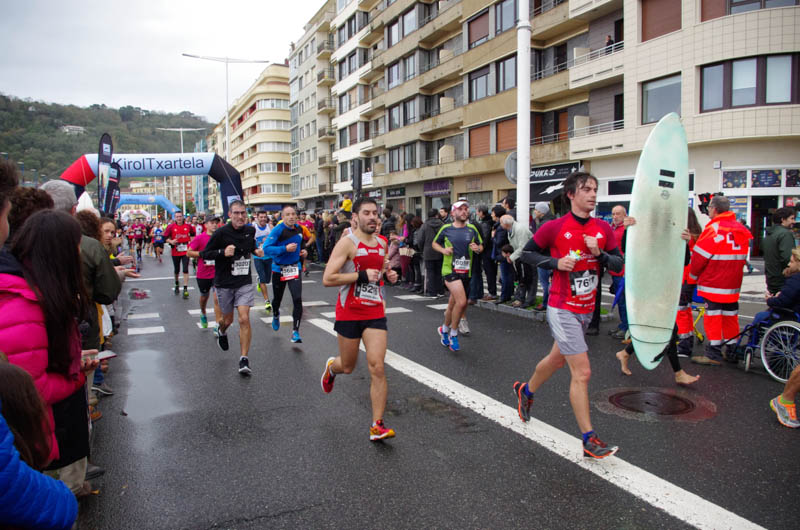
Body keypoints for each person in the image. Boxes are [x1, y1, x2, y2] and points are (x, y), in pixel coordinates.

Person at [514, 171, 623, 459]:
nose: (593, 194)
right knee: (582, 372)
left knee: (556, 360)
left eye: (595, 189)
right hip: (562, 307)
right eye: (586, 189)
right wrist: (555, 263)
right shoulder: (555, 227)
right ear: (571, 194)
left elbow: (618, 265)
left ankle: (526, 391)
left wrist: (599, 254)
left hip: (586, 309)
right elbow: (526, 254)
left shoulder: (603, 228)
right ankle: (589, 439)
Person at [1, 210, 100, 493]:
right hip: (32, 432)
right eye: (75, 247)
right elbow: (30, 387)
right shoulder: (23, 302)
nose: (79, 255)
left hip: (38, 428)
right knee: (54, 501)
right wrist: (76, 378)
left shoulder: (36, 288)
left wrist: (74, 360)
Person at [321, 197, 399, 441]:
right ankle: (331, 368)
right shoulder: (347, 244)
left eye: (375, 213)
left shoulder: (383, 243)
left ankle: (377, 425)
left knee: (377, 366)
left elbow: (381, 272)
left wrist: (389, 275)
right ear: (355, 217)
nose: (372, 217)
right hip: (349, 311)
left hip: (374, 310)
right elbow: (328, 278)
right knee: (347, 366)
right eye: (367, 213)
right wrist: (360, 276)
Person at [614, 216, 700, 385]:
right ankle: (678, 373)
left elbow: (684, 262)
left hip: (664, 289)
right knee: (668, 329)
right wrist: (627, 230)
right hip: (647, 289)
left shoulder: (670, 236)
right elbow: (627, 250)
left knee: (660, 328)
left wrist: (685, 243)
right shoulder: (646, 233)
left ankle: (626, 353)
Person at [200, 200, 264, 375]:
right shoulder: (220, 233)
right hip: (224, 283)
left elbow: (250, 245)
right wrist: (222, 252)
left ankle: (244, 359)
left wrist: (256, 251)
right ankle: (222, 331)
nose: (240, 216)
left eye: (243, 213)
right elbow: (205, 254)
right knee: (227, 321)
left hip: (243, 282)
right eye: (236, 213)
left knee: (244, 318)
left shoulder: (250, 230)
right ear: (229, 215)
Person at [689, 196, 753, 365]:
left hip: (714, 282)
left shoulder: (714, 229)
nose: (708, 210)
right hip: (733, 284)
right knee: (730, 316)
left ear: (715, 209)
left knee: (713, 317)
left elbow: (699, 258)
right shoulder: (740, 229)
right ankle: (732, 350)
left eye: (709, 207)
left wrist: (693, 277)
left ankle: (713, 354)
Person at [432, 200, 483, 352]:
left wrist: (477, 248)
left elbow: (481, 245)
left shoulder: (472, 229)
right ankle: (453, 334)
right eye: (460, 209)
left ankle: (444, 329)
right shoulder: (446, 228)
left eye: (466, 209)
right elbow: (435, 243)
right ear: (453, 213)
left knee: (452, 305)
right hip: (450, 270)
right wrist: (443, 250)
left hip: (466, 272)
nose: (464, 211)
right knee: (462, 302)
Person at [262, 205, 309, 343]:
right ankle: (276, 314)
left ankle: (295, 332)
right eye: (288, 214)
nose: (291, 217)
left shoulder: (299, 229)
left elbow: (301, 243)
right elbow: (266, 248)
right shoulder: (278, 230)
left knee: (297, 298)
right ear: (282, 217)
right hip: (279, 269)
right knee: (277, 299)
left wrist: (304, 251)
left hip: (294, 267)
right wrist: (284, 249)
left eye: (293, 214)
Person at [188, 212, 222, 330]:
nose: (214, 225)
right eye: (212, 223)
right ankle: (203, 311)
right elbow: (188, 252)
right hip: (203, 274)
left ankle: (217, 325)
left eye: (216, 223)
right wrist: (202, 254)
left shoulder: (220, 237)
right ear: (206, 225)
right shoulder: (200, 238)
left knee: (217, 298)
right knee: (204, 296)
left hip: (217, 273)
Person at [500, 215, 536, 308]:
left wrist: (511, 257)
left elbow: (523, 247)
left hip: (529, 256)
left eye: (501, 223)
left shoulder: (520, 229)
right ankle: (520, 299)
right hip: (520, 257)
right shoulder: (510, 229)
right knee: (521, 278)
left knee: (530, 278)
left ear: (506, 224)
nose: (500, 225)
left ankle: (530, 300)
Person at [606, 205, 628, 339]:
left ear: (625, 215)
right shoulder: (612, 228)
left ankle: (626, 328)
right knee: (620, 300)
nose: (615, 216)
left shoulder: (627, 228)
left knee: (624, 301)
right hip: (614, 270)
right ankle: (623, 325)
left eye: (618, 214)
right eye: (613, 214)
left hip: (623, 271)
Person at [762, 207, 796, 295]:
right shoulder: (785, 234)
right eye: (792, 218)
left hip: (771, 278)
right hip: (783, 279)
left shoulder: (769, 234)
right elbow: (788, 258)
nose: (794, 221)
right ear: (783, 220)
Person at [163, 211, 196, 299]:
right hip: (176, 250)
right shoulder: (171, 227)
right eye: (177, 217)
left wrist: (192, 244)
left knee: (185, 269)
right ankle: (177, 283)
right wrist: (171, 241)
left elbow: (193, 234)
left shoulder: (188, 226)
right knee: (177, 269)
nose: (179, 218)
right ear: (175, 218)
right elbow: (164, 238)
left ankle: (185, 288)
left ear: (183, 217)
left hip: (185, 250)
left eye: (180, 216)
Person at [532, 202, 555, 311]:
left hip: (544, 257)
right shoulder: (553, 221)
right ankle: (551, 303)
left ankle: (546, 303)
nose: (534, 212)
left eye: (536, 210)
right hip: (553, 256)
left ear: (541, 212)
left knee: (545, 282)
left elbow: (540, 242)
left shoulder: (543, 224)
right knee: (552, 282)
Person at [418, 209, 445, 298]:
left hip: (428, 251)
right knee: (439, 272)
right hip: (440, 251)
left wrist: (422, 249)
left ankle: (432, 292)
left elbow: (420, 239)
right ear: (437, 215)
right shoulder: (442, 225)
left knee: (430, 272)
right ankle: (440, 291)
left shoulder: (424, 225)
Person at [492, 204, 514, 304]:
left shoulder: (500, 228)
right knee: (505, 276)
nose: (491, 215)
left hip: (503, 254)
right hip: (504, 253)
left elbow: (499, 242)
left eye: (493, 213)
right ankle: (507, 295)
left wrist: (493, 237)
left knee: (505, 276)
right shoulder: (498, 226)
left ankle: (504, 296)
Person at [253, 210, 274, 313]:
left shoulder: (270, 228)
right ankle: (267, 301)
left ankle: (259, 280)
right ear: (257, 218)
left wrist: (269, 241)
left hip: (268, 257)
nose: (263, 219)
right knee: (263, 279)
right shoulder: (254, 228)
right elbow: (250, 242)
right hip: (258, 257)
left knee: (267, 280)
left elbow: (275, 240)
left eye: (264, 217)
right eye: (261, 217)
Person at [475, 205, 497, 302]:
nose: (476, 213)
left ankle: (492, 293)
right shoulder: (491, 222)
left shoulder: (485, 224)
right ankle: (492, 292)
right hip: (492, 250)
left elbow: (484, 238)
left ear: (481, 212)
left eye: (477, 211)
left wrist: (480, 247)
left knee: (490, 272)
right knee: (491, 272)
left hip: (487, 251)